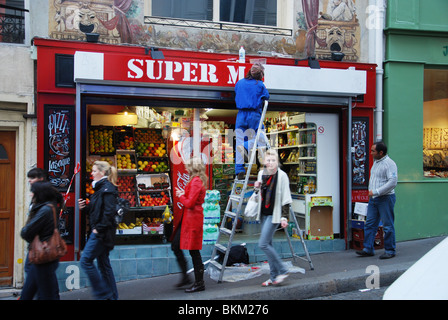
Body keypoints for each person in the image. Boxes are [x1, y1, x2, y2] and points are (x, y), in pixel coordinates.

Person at [78, 161, 119, 300]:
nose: (91, 173)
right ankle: (112, 297)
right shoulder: (100, 189)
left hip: (101, 234)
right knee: (104, 265)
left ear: (102, 173)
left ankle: (102, 293)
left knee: (85, 261)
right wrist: (85, 208)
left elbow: (108, 213)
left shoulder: (107, 189)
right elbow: (97, 211)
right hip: (101, 232)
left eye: (94, 171)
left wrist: (98, 229)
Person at [253, 149, 292, 286]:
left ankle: (283, 269)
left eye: (273, 160)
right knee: (268, 244)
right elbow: (258, 196)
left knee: (263, 244)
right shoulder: (261, 174)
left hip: (274, 214)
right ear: (264, 161)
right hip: (263, 213)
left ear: (277, 162)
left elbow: (286, 198)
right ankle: (274, 277)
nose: (270, 163)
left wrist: (284, 217)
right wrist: (256, 187)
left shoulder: (282, 176)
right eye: (268, 160)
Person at [20, 181, 63, 300]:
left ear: (39, 194)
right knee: (29, 293)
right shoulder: (49, 207)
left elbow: (26, 232)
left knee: (44, 294)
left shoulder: (44, 210)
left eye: (32, 193)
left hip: (43, 256)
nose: (30, 195)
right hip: (42, 257)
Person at [356, 141, 398, 259]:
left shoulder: (389, 164)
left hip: (385, 198)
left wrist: (376, 191)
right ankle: (368, 248)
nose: (371, 153)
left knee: (387, 225)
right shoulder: (376, 162)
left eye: (373, 151)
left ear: (381, 152)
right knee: (370, 224)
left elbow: (393, 182)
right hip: (374, 199)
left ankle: (390, 250)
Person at [171, 156, 207, 293]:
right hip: (190, 219)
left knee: (194, 251)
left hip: (192, 219)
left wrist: (181, 195)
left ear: (193, 167)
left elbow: (190, 203)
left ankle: (199, 282)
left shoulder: (196, 181)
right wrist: (183, 194)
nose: (185, 168)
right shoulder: (196, 180)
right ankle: (193, 279)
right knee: (186, 248)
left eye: (188, 166)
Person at [234, 63, 270, 180]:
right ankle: (246, 147)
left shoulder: (239, 83)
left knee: (240, 139)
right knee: (260, 138)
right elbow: (267, 96)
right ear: (260, 75)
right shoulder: (259, 85)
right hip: (253, 114)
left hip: (240, 115)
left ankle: (239, 169)